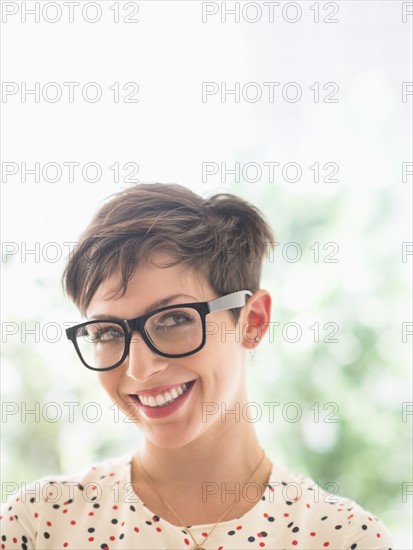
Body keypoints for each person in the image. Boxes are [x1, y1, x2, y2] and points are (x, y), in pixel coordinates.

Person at [1, 183, 393, 549]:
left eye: (174, 320)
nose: (140, 368)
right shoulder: (37, 524)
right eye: (107, 332)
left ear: (253, 320)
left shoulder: (343, 537)